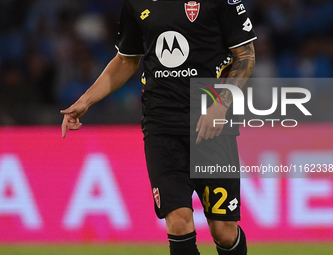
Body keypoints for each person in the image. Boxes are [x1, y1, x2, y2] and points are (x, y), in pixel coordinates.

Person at [61, 0, 256, 254]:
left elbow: (246, 55)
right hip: (160, 123)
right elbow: (125, 60)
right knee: (178, 222)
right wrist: (85, 101)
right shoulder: (136, 3)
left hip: (212, 122)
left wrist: (221, 104)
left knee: (224, 232)